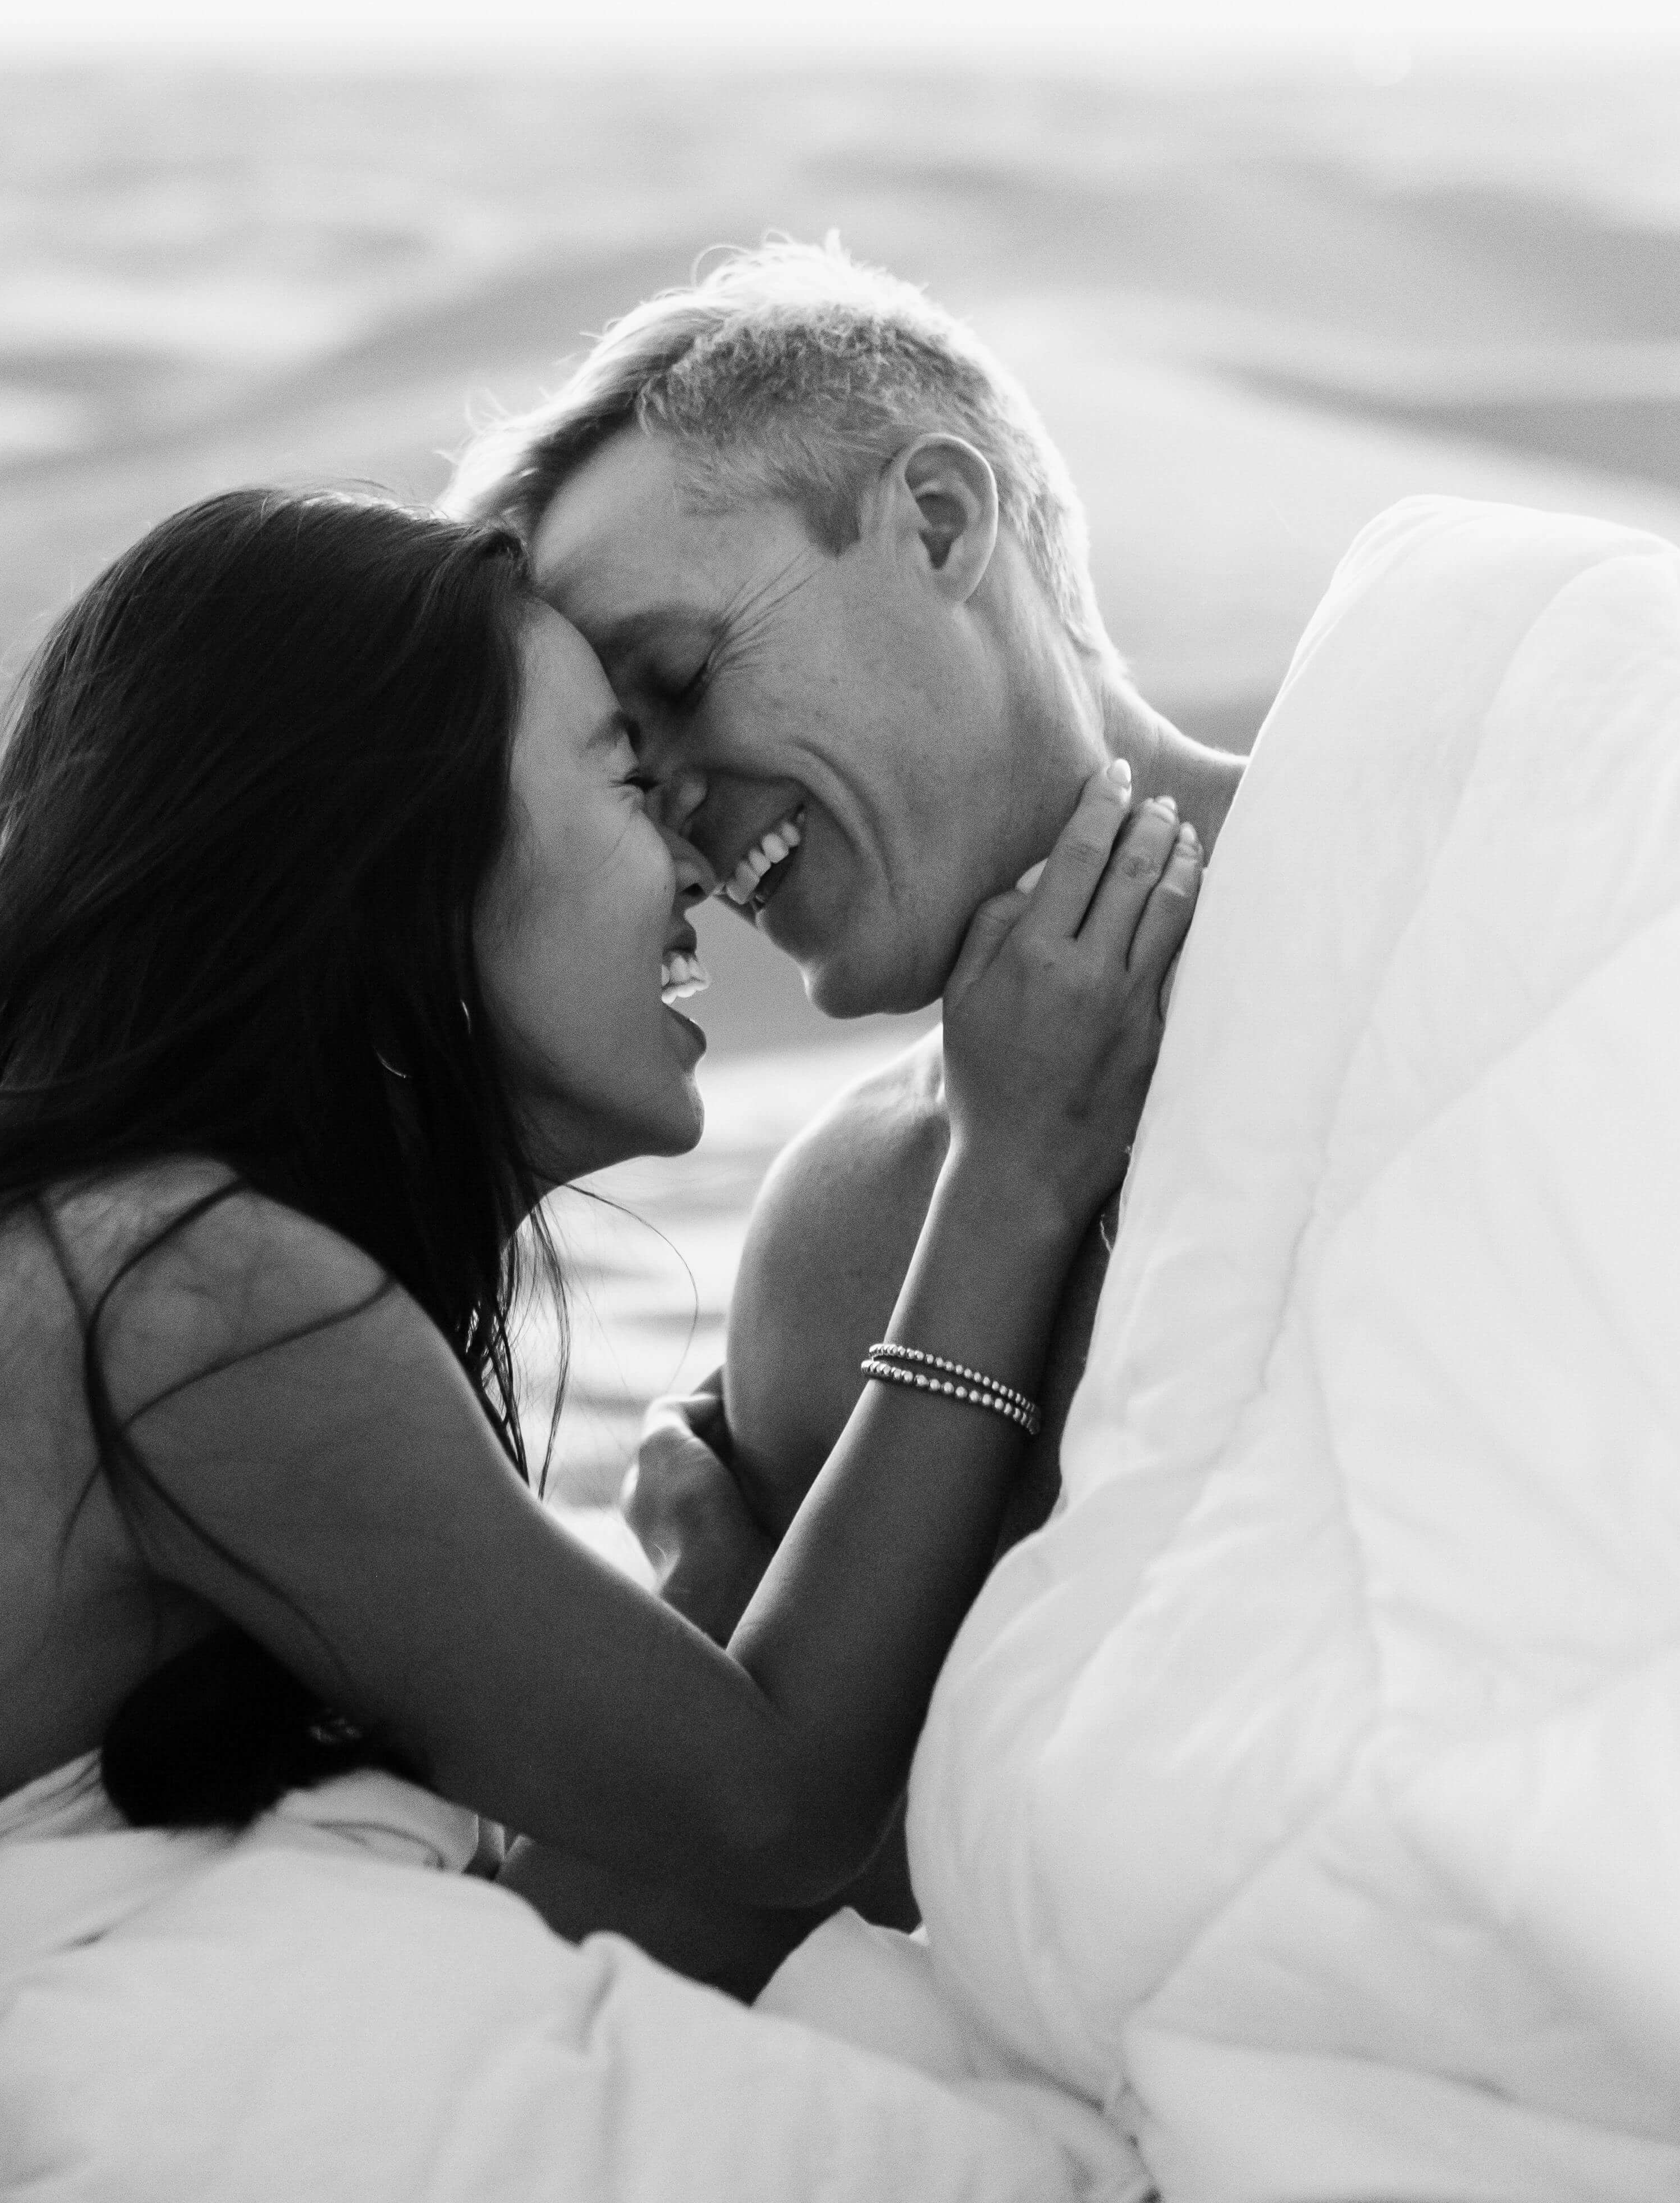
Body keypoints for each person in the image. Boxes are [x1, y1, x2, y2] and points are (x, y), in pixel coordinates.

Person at [0, 483, 1200, 1986]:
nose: (693, 868)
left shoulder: (94, 1245)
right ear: (407, 868)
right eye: (624, 777)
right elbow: (778, 1807)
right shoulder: (193, 1294)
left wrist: (714, 1624)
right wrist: (1011, 1175)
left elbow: (519, 1948)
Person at [449, 238, 1229, 1598]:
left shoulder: (1489, 860)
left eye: (681, 674)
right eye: (627, 769)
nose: (678, 832)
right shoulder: (848, 1235)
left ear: (939, 522)